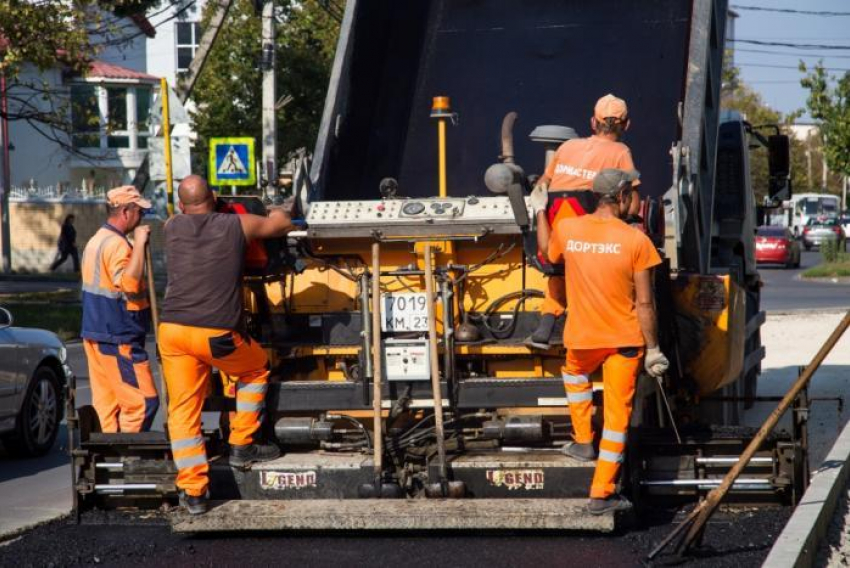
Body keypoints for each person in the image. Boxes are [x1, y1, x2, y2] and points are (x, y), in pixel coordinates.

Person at [534, 168, 669, 515]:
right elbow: (645, 303)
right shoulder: (636, 241)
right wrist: (653, 349)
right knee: (615, 418)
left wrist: (538, 211)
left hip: (581, 339)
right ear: (623, 196)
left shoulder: (568, 229)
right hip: (624, 340)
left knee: (575, 375)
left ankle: (582, 441)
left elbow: (548, 255)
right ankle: (600, 493)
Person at [158, 175, 293, 515]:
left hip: (172, 331)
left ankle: (194, 492)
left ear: (180, 205)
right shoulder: (237, 225)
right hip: (215, 333)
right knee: (255, 368)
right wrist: (277, 206)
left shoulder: (171, 227)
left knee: (183, 409)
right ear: (215, 197)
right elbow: (281, 224)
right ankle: (241, 444)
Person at [526, 94, 642, 349]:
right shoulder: (620, 152)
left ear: (593, 122)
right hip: (593, 243)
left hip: (558, 241)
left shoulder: (566, 147)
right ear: (627, 125)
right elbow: (631, 203)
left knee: (562, 266)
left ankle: (547, 322)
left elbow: (542, 186)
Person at [80, 186, 158, 433]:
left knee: (108, 407)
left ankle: (109, 457)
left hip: (97, 332)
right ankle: (128, 459)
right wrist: (139, 245)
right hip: (118, 336)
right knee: (143, 404)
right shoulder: (117, 245)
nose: (141, 217)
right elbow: (130, 283)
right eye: (139, 212)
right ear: (125, 211)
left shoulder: (97, 240)